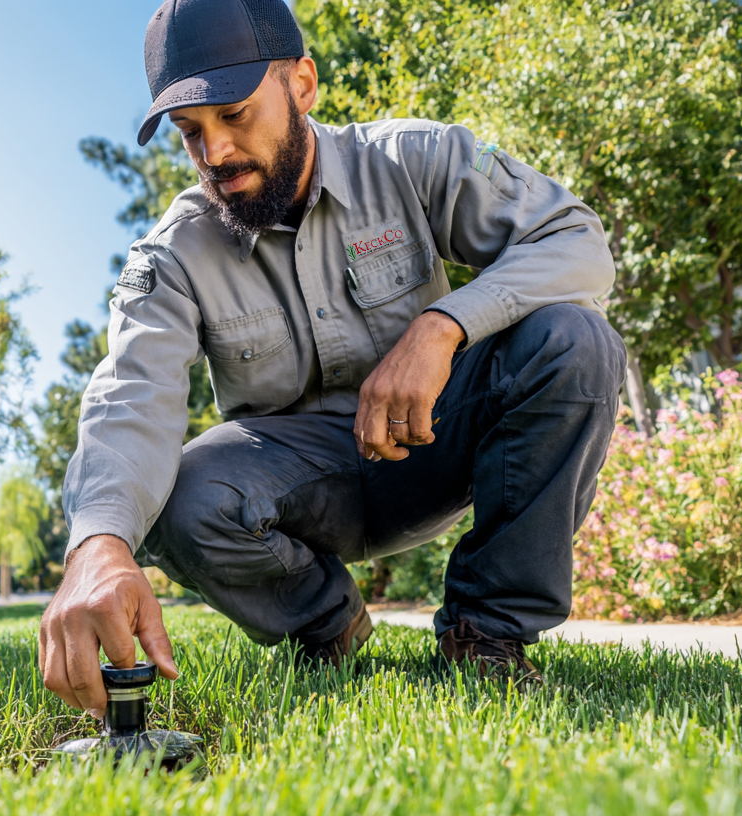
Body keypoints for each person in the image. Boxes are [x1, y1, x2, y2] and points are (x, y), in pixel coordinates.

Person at [40, 0, 624, 719]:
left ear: (303, 85)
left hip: (443, 444)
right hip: (308, 495)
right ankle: (329, 632)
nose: (215, 153)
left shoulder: (416, 159)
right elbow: (131, 393)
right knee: (176, 495)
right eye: (192, 133)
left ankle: (487, 636)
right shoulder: (171, 256)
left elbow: (576, 240)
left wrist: (443, 325)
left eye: (235, 115)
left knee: (574, 338)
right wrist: (97, 545)